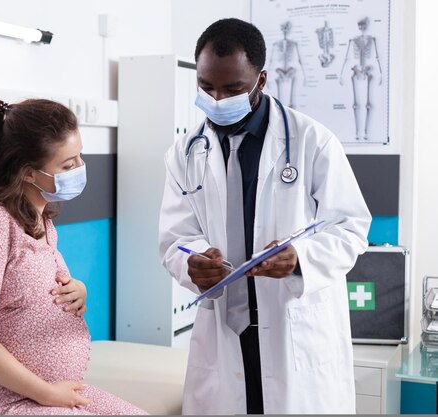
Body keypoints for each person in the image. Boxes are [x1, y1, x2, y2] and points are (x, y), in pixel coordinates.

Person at [159, 18, 371, 414]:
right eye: (207, 87)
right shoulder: (184, 153)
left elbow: (351, 226)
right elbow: (176, 236)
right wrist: (194, 260)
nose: (218, 98)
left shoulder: (312, 141)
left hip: (293, 325)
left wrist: (301, 258)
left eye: (233, 88)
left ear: (261, 80)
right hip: (226, 329)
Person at [0, 98, 146, 415]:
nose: (79, 169)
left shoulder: (41, 221)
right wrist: (47, 393)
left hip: (44, 393)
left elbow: (27, 292)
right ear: (29, 174)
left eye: (79, 157)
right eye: (67, 165)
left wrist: (77, 290)